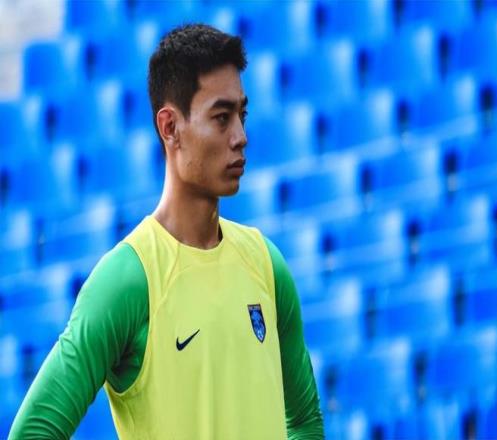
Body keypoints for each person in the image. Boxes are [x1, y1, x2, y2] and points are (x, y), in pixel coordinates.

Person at [9, 23, 324, 439]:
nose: (241, 137)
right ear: (170, 127)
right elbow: (32, 432)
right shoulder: (127, 280)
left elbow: (304, 421)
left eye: (242, 116)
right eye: (222, 118)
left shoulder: (266, 264)